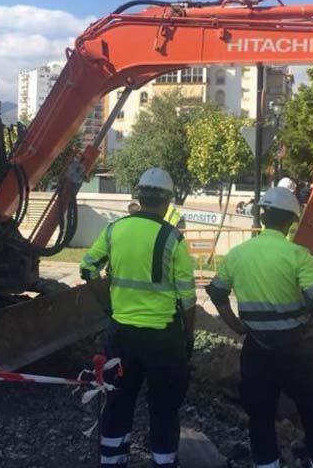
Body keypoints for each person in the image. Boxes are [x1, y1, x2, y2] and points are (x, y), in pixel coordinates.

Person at [205, 186, 313, 468]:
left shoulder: (238, 254)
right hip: (297, 351)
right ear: (290, 222)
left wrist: (234, 323)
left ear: (262, 215)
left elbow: (216, 292)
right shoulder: (298, 256)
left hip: (256, 349)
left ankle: (267, 463)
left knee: (260, 416)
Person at [80, 167, 197, 468]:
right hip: (163, 339)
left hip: (122, 337)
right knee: (163, 407)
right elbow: (187, 297)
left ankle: (112, 460)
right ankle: (163, 461)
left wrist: (108, 306)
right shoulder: (173, 238)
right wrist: (188, 335)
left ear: (139, 196)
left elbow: (87, 269)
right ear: (168, 200)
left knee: (117, 401)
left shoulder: (114, 230)